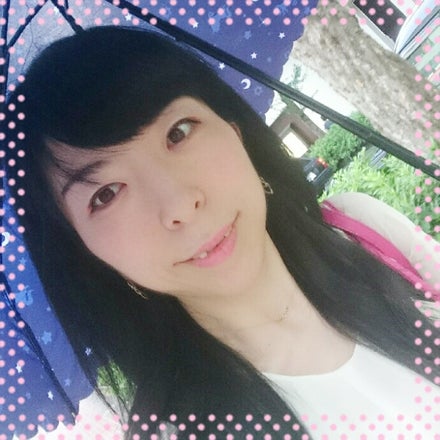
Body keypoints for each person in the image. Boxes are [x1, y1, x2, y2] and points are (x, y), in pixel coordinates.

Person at [5, 26, 440, 439]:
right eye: (106, 194)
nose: (179, 205)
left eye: (178, 132)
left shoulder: (365, 232)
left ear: (232, 127)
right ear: (84, 250)